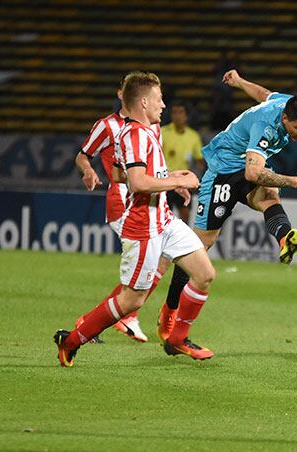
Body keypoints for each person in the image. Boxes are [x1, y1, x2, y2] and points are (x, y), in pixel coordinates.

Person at [54, 71, 216, 366]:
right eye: (159, 99)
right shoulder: (134, 134)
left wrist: (172, 178)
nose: (163, 105)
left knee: (204, 274)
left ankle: (177, 339)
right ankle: (72, 339)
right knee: (132, 300)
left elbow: (119, 173)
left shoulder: (143, 131)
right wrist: (178, 182)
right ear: (143, 102)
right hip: (142, 226)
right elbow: (138, 183)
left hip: (164, 219)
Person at [155, 69, 297, 341]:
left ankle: (284, 237)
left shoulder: (286, 103)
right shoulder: (265, 127)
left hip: (245, 164)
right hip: (223, 172)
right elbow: (253, 174)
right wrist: (295, 181)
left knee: (269, 196)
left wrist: (240, 82)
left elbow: (264, 95)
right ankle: (169, 310)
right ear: (285, 118)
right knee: (198, 247)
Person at [73, 72, 175, 343]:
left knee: (163, 258)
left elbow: (155, 166)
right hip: (124, 202)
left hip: (150, 202)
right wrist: (88, 171)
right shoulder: (107, 126)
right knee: (154, 262)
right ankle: (122, 315)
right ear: (122, 94)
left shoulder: (152, 125)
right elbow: (83, 156)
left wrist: (171, 183)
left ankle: (101, 318)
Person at [161, 100, 204, 224]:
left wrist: (197, 176)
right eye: (174, 112)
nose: (177, 116)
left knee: (185, 216)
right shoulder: (163, 132)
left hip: (182, 183)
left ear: (186, 116)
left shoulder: (193, 136)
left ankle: (180, 242)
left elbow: (200, 160)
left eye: (180, 112)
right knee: (163, 218)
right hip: (165, 181)